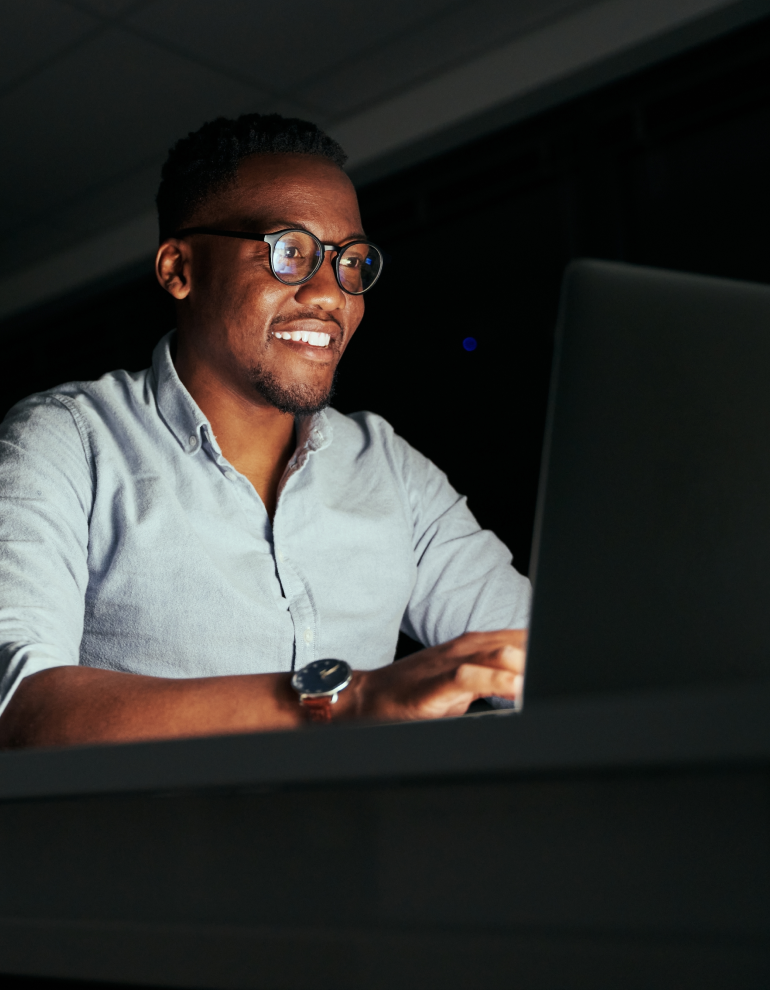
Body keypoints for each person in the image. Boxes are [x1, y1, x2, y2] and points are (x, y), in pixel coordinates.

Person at [0, 113, 530, 749]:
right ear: (179, 269)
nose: (333, 297)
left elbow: (537, 658)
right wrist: (353, 698)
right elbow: (22, 709)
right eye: (290, 253)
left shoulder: (386, 466)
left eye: (351, 262)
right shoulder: (67, 440)